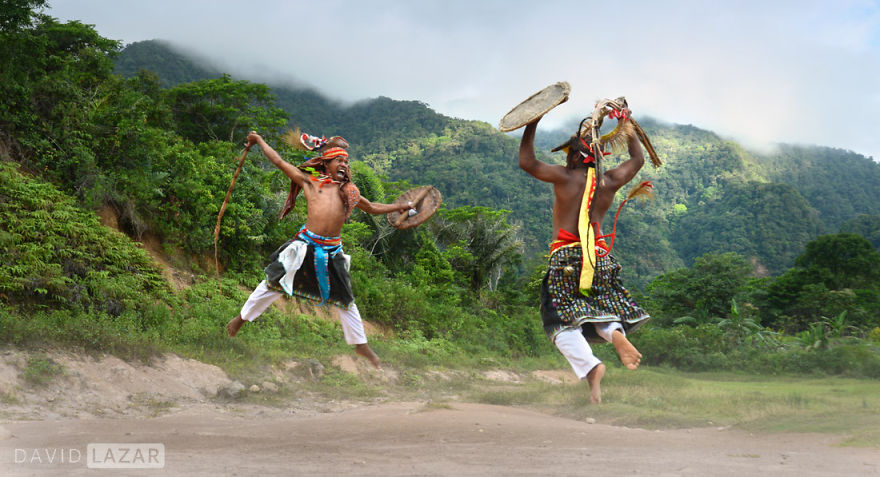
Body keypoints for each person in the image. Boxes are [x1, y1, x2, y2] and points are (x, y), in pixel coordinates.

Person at [226, 131, 413, 369]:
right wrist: (259, 141)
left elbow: (373, 207)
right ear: (326, 163)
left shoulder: (349, 191)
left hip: (332, 250)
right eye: (339, 161)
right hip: (305, 245)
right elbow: (279, 162)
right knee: (272, 283)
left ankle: (360, 344)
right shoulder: (310, 181)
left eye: (346, 162)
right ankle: (241, 319)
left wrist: (402, 206)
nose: (344, 165)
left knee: (345, 298)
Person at [518, 113, 650, 404]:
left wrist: (532, 121)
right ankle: (615, 334)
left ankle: (591, 367)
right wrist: (626, 125)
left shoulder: (564, 177)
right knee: (600, 308)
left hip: (567, 258)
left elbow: (527, 163)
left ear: (575, 158)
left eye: (568, 153)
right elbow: (638, 160)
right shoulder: (612, 179)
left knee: (561, 321)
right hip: (601, 260)